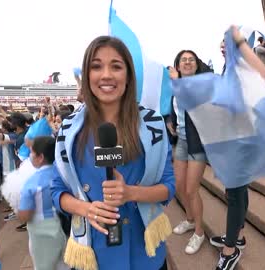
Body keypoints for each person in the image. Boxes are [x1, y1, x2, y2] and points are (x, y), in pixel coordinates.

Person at [50, 36, 175, 270]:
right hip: (94, 253)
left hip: (144, 252)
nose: (106, 74)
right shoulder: (68, 131)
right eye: (96, 66)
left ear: (128, 76)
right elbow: (57, 191)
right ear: (87, 76)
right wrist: (86, 209)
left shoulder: (154, 126)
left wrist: (131, 193)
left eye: (116, 66)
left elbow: (168, 187)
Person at [208, 26, 265, 270]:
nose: (223, 46)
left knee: (235, 193)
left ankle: (230, 250)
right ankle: (238, 235)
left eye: (227, 42)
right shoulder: (227, 69)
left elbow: (263, 74)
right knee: (236, 191)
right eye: (221, 42)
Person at [167, 50, 209, 255]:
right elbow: (173, 107)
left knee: (192, 189)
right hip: (182, 140)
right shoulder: (175, 86)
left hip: (198, 142)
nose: (187, 62)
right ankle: (190, 220)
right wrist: (170, 122)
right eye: (183, 60)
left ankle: (199, 232)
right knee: (180, 186)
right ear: (178, 64)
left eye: (191, 59)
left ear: (196, 64)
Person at [17, 136, 66, 270]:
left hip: (42, 233)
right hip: (67, 227)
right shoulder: (64, 174)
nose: (30, 156)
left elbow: (25, 215)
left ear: (41, 157)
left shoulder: (32, 182)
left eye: (32, 152)